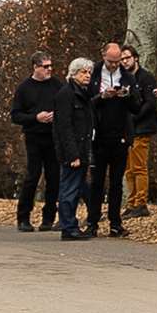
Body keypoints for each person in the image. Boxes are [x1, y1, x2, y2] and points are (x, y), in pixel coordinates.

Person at [87, 38, 137, 236]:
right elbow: (85, 103)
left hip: (120, 135)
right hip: (98, 135)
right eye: (111, 61)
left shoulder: (127, 77)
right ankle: (92, 222)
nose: (115, 65)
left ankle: (115, 223)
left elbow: (137, 106)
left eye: (118, 62)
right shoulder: (92, 74)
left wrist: (127, 96)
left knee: (116, 182)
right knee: (97, 182)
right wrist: (102, 97)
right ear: (103, 56)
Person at [7, 54, 62, 231]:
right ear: (35, 67)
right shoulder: (24, 88)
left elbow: (65, 105)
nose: (49, 69)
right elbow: (16, 115)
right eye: (45, 66)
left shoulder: (57, 85)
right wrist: (35, 118)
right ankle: (23, 217)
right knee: (33, 176)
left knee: (54, 177)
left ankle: (49, 217)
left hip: (53, 136)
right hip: (34, 136)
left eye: (50, 66)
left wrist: (56, 115)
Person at [52, 57, 98, 240]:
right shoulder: (66, 94)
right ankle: (68, 227)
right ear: (74, 74)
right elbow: (64, 126)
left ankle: (71, 225)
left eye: (89, 72)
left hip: (82, 148)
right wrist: (72, 154)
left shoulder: (83, 94)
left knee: (77, 187)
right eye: (83, 72)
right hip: (73, 151)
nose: (87, 76)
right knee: (69, 189)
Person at [120, 44, 154, 217]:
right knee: (128, 169)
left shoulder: (146, 77)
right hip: (127, 129)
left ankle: (141, 202)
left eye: (127, 58)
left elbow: (150, 103)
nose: (124, 62)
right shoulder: (123, 79)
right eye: (122, 59)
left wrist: (135, 118)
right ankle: (132, 202)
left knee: (139, 167)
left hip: (141, 127)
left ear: (136, 58)